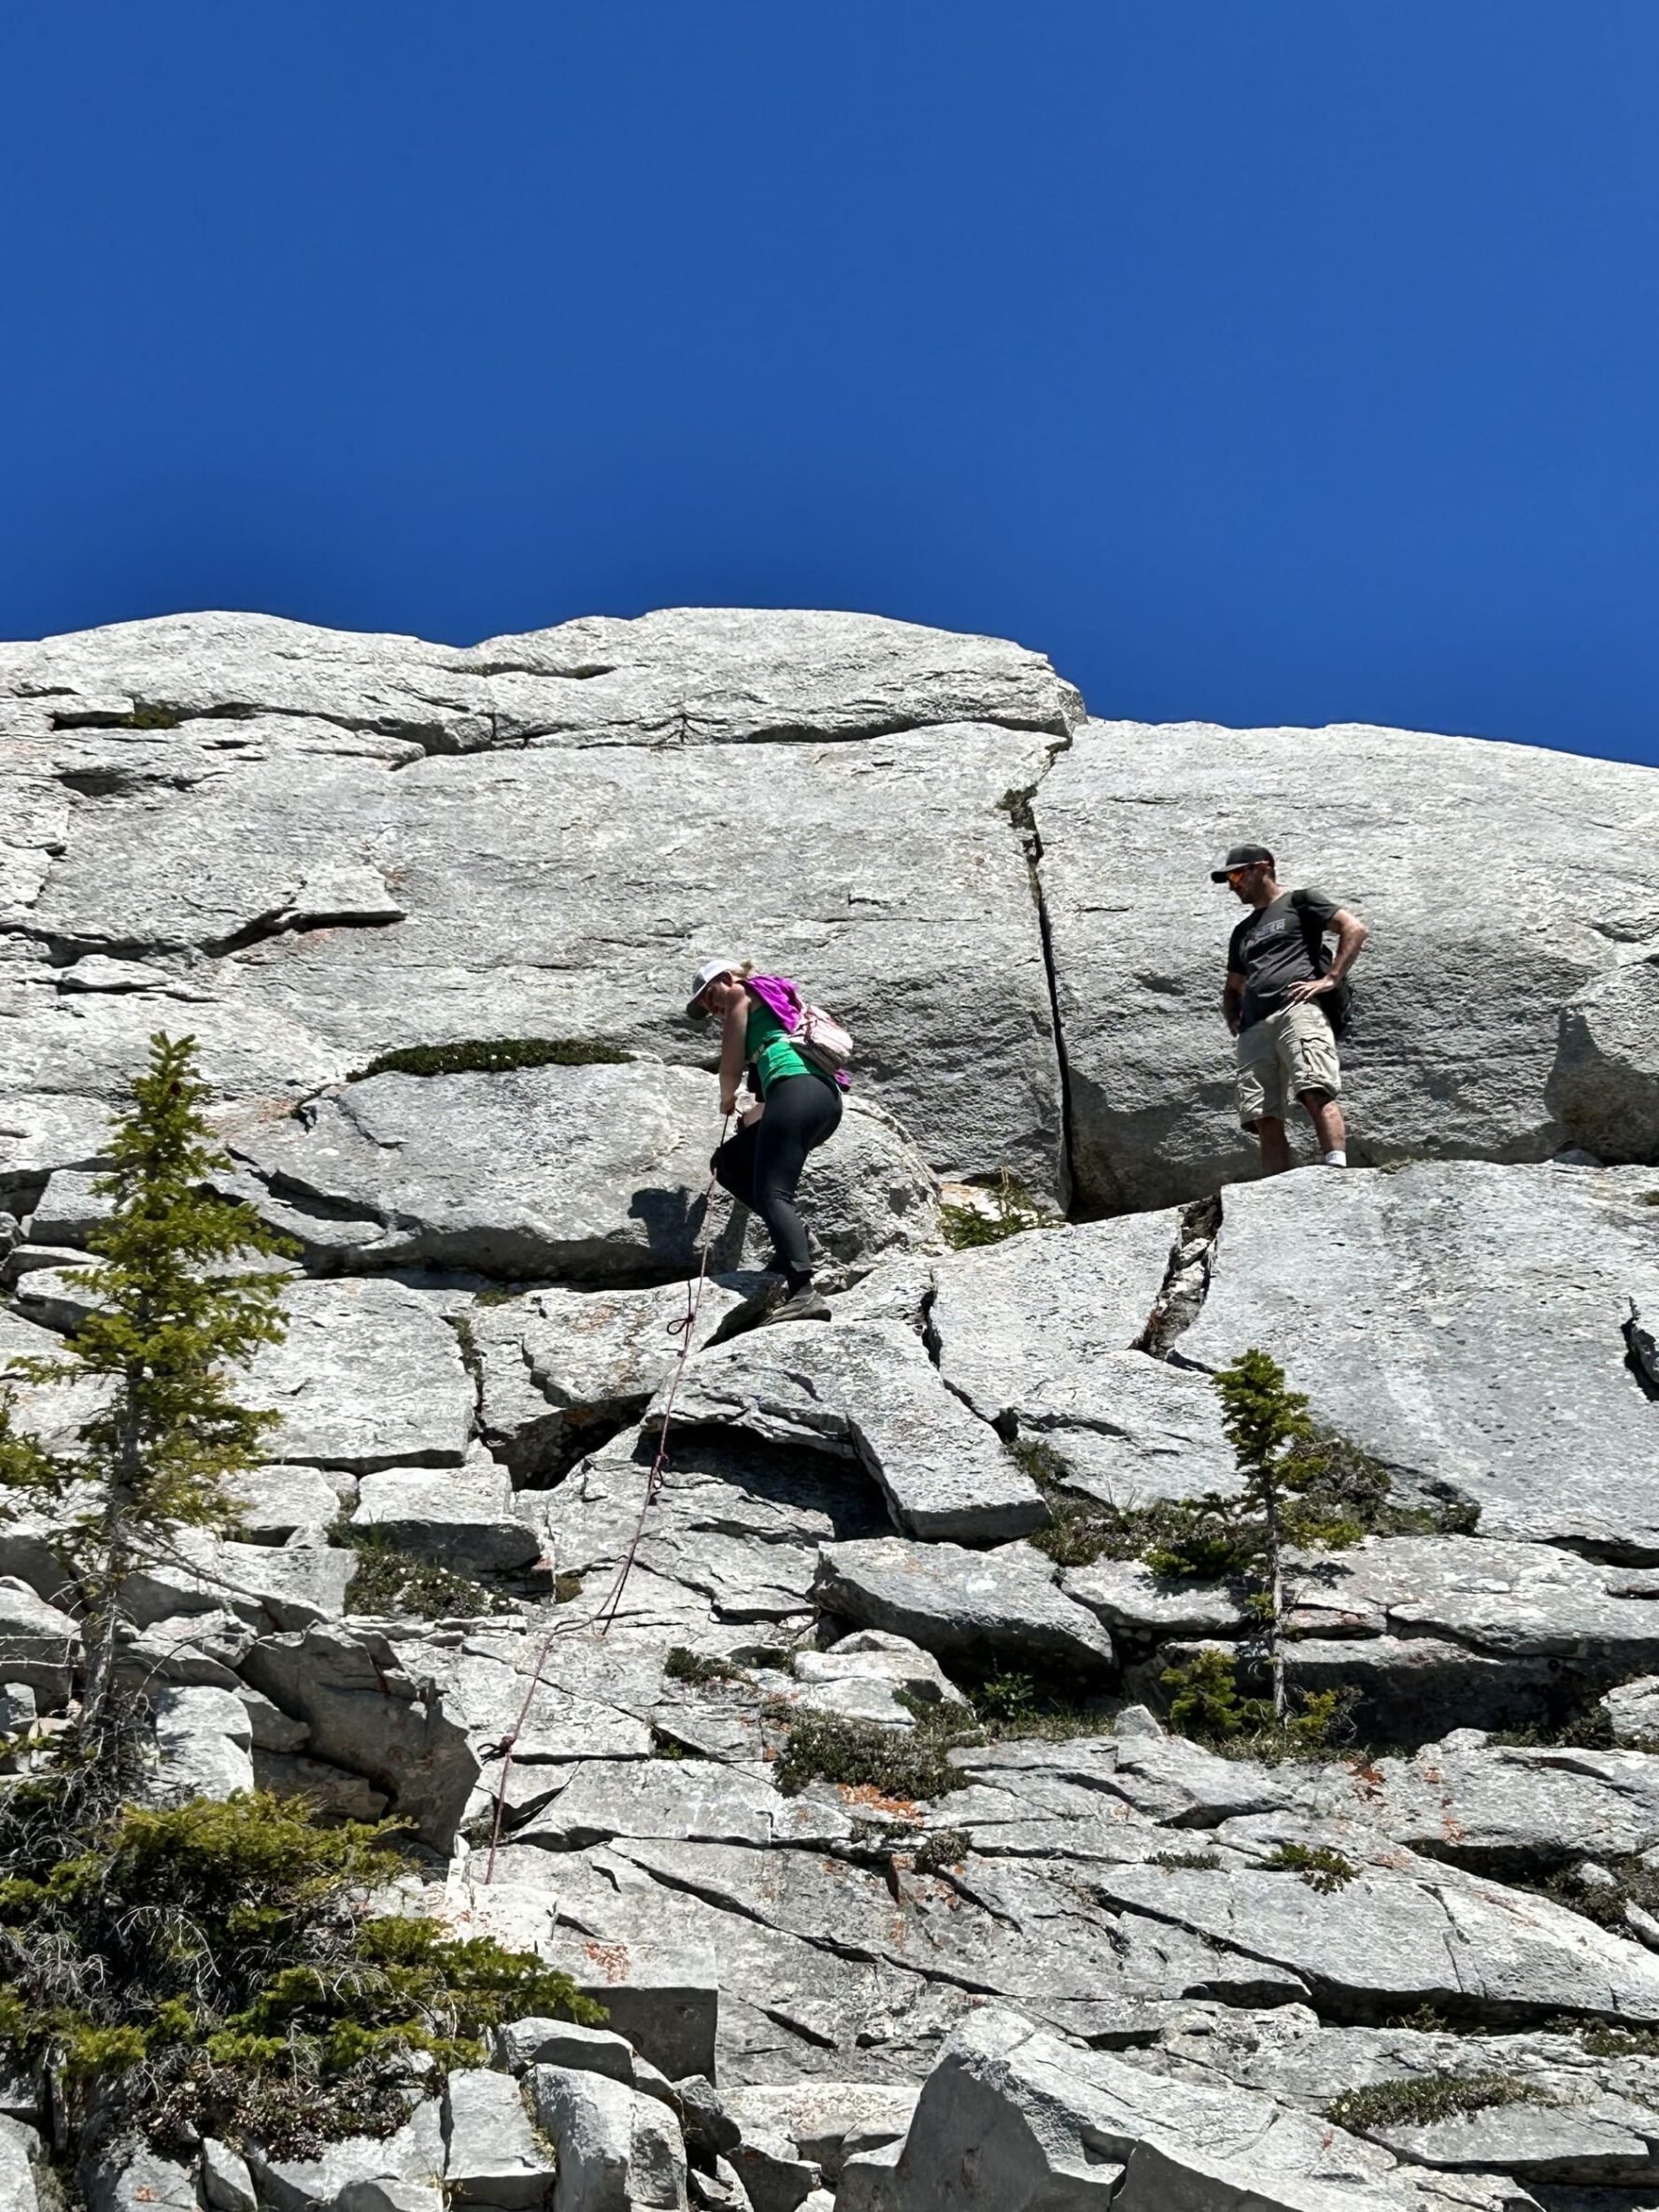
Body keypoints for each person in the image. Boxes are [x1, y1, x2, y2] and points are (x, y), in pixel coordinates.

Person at [685, 957, 843, 1321]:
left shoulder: (742, 992)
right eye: (707, 1008)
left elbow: (730, 1062)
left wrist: (726, 1097)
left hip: (797, 1091)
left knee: (774, 1193)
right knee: (730, 1161)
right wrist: (750, 1117)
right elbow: (764, 1100)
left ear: (726, 978)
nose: (714, 1010)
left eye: (711, 997)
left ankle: (803, 1291)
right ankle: (795, 1239)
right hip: (821, 1101)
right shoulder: (773, 1018)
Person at [1213, 843, 1368, 1177]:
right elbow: (1233, 983)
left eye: (1237, 874)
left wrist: (1330, 978)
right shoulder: (1243, 931)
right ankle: (1277, 1187)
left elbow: (1354, 928)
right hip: (1254, 1025)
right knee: (1262, 1113)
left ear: (1263, 867)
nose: (1233, 885)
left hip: (1297, 1008)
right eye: (1229, 879)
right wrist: (1232, 1012)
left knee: (1314, 1087)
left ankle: (1336, 1172)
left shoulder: (1300, 902)